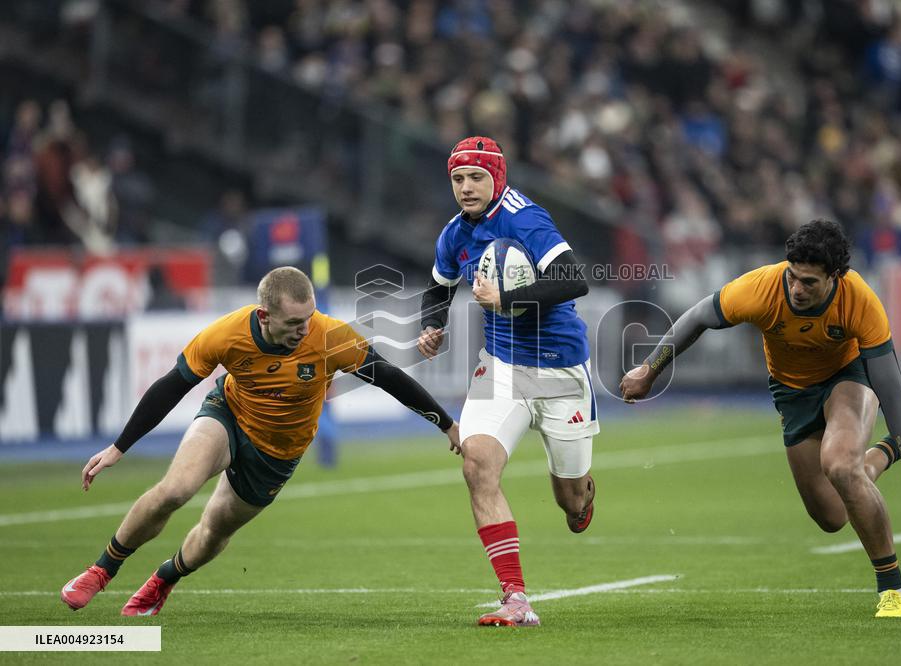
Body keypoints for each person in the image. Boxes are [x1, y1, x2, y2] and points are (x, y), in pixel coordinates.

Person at [61, 266, 460, 616]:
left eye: (308, 318)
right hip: (229, 415)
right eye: (293, 324)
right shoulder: (227, 334)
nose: (304, 330)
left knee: (214, 530)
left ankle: (164, 578)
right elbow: (171, 387)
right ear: (264, 315)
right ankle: (101, 570)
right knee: (175, 491)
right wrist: (118, 448)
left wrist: (446, 424)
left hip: (277, 454)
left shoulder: (329, 335)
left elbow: (389, 377)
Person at [620, 219, 901, 618]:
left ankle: (892, 589)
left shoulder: (859, 299)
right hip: (791, 394)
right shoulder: (762, 286)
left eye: (809, 282)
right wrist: (649, 370)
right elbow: (696, 318)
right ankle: (890, 447)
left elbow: (891, 388)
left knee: (840, 465)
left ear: (836, 276)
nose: (796, 289)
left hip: (848, 380)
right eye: (793, 277)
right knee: (832, 515)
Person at [418, 136, 596, 627]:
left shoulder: (525, 219)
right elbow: (438, 287)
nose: (466, 188)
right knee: (477, 464)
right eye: (457, 179)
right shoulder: (454, 233)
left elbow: (572, 279)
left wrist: (509, 297)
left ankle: (581, 495)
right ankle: (515, 598)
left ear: (497, 177)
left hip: (560, 370)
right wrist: (431, 326)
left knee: (571, 501)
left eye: (476, 177)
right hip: (500, 367)